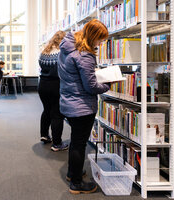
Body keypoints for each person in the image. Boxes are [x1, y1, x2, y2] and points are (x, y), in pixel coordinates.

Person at [58, 19, 110, 194]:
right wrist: (108, 84)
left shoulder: (67, 48)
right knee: (79, 144)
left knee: (75, 142)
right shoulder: (84, 55)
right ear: (93, 36)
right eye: (100, 40)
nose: (100, 43)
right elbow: (91, 87)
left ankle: (73, 173)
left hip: (68, 102)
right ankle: (77, 183)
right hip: (82, 106)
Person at [38, 30, 68, 152]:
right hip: (56, 85)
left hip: (42, 85)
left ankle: (44, 135)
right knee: (57, 114)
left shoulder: (44, 52)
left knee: (46, 110)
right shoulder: (62, 53)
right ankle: (57, 143)